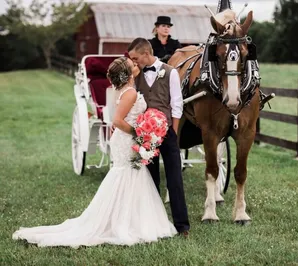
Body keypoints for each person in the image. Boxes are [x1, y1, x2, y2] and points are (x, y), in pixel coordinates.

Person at [12, 57, 177, 248]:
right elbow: (117, 121)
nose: (136, 65)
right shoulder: (130, 92)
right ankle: (122, 222)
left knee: (131, 175)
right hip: (127, 139)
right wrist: (140, 132)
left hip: (124, 138)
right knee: (127, 174)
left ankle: (128, 219)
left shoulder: (122, 90)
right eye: (133, 65)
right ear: (127, 73)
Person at [127, 38, 190, 237]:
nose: (134, 63)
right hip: (143, 134)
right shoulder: (135, 75)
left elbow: (177, 104)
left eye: (135, 58)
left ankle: (182, 226)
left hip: (167, 132)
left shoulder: (170, 72)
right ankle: (153, 223)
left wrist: (172, 131)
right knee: (149, 178)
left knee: (175, 179)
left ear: (146, 54)